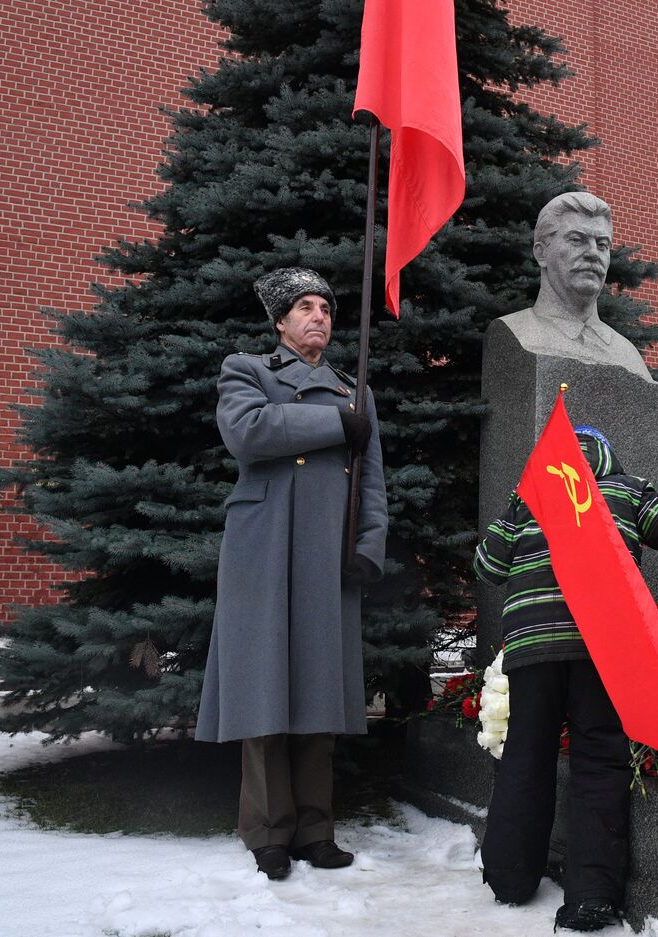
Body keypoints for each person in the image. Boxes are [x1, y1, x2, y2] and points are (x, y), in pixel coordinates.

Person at [473, 426, 658, 932]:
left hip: (531, 647)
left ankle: (508, 876)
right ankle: (591, 896)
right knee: (598, 757)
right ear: (606, 458)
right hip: (602, 644)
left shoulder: (529, 497)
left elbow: (487, 565)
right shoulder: (625, 488)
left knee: (526, 754)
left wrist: (515, 510)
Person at [195, 267, 387, 882]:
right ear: (280, 322)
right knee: (264, 686)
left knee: (318, 689)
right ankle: (268, 832)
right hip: (265, 545)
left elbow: (374, 483)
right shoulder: (246, 370)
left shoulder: (353, 389)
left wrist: (369, 547)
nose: (319, 317)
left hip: (327, 552)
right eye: (305, 308)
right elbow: (248, 434)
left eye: (327, 309)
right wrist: (333, 424)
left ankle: (315, 828)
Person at [494, 192, 652, 379]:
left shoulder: (628, 356)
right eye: (577, 240)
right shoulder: (516, 334)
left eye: (602, 244)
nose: (593, 253)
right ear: (542, 253)